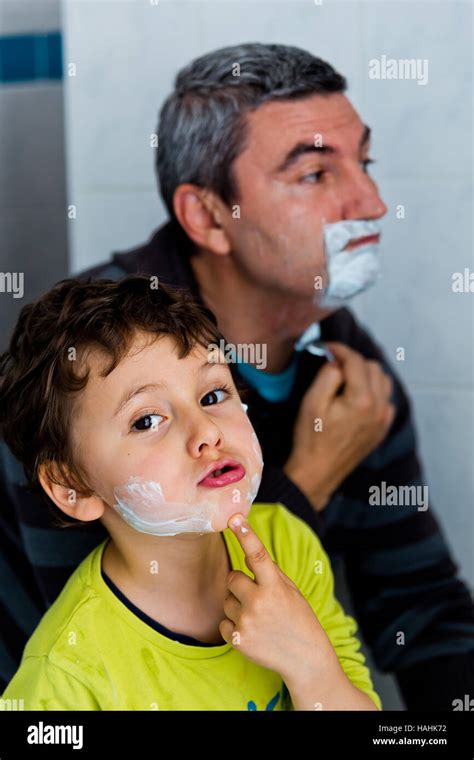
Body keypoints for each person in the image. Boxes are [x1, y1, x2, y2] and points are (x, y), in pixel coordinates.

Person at [1, 43, 473, 710]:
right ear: (207, 215)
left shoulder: (349, 373)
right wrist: (307, 483)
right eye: (315, 174)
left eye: (363, 164)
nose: (371, 202)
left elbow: (423, 611)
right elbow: (125, 621)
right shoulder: (81, 374)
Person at [0, 275, 380, 711]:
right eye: (146, 421)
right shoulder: (66, 679)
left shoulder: (286, 544)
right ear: (73, 487)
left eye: (214, 393)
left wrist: (311, 666)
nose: (206, 431)